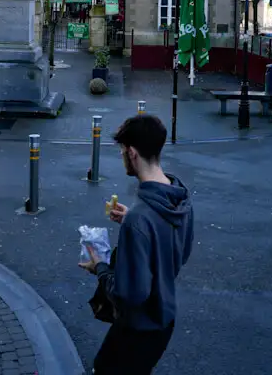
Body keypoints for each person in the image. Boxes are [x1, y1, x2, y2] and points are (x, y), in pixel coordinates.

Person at [79, 115, 194, 375]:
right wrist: (137, 223)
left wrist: (100, 267)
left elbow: (129, 294)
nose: (122, 157)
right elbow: (179, 252)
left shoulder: (139, 219)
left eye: (122, 151)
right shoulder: (179, 198)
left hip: (138, 328)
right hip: (164, 319)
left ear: (131, 153)